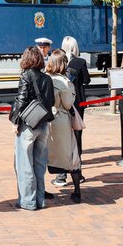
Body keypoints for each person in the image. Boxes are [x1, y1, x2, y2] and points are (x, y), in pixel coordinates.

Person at [13, 46, 56, 210]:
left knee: (25, 164)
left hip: (28, 125)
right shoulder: (47, 78)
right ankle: (40, 199)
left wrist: (15, 122)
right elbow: (51, 102)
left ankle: (28, 201)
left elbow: (21, 100)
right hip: (44, 124)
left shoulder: (26, 76)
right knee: (39, 165)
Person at [45, 50, 82, 203]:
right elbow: (67, 104)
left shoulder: (45, 78)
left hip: (46, 120)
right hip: (61, 120)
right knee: (72, 155)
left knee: (44, 156)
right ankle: (77, 191)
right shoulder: (64, 82)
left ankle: (41, 189)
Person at [53, 36, 90, 187]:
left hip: (61, 107)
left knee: (62, 139)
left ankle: (61, 176)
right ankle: (77, 172)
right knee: (77, 138)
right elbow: (86, 80)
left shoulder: (58, 60)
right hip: (77, 105)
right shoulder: (80, 62)